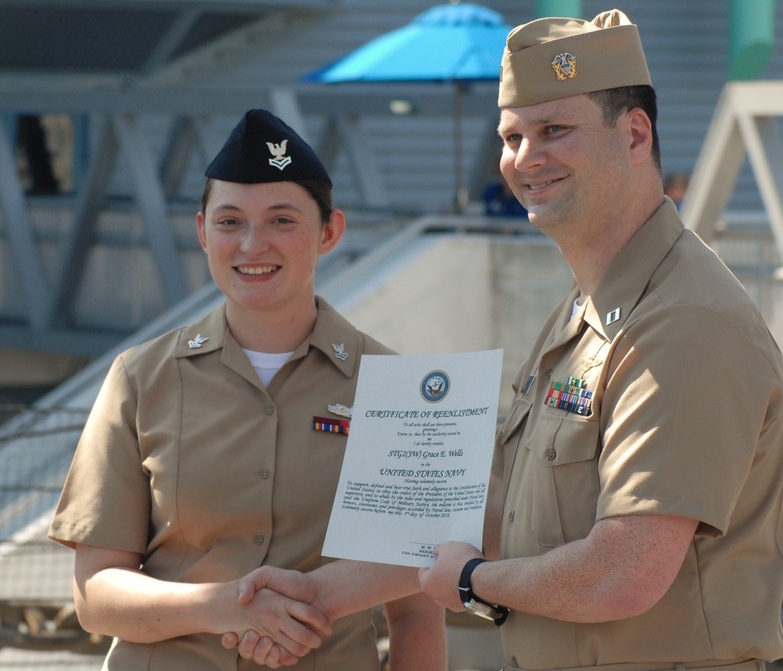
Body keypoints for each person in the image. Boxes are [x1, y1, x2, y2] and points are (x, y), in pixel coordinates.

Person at [226, 9, 783, 671]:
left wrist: (472, 582)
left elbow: (624, 572)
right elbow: (504, 523)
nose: (525, 158)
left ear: (635, 135)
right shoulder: (586, 313)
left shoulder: (683, 321)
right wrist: (318, 594)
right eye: (512, 135)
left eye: (554, 130)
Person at [47, 108, 446, 670]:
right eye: (230, 221)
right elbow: (96, 593)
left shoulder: (396, 391)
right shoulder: (140, 378)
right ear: (202, 232)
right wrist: (230, 608)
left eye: (282, 220)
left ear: (329, 231)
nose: (253, 244)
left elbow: (417, 611)